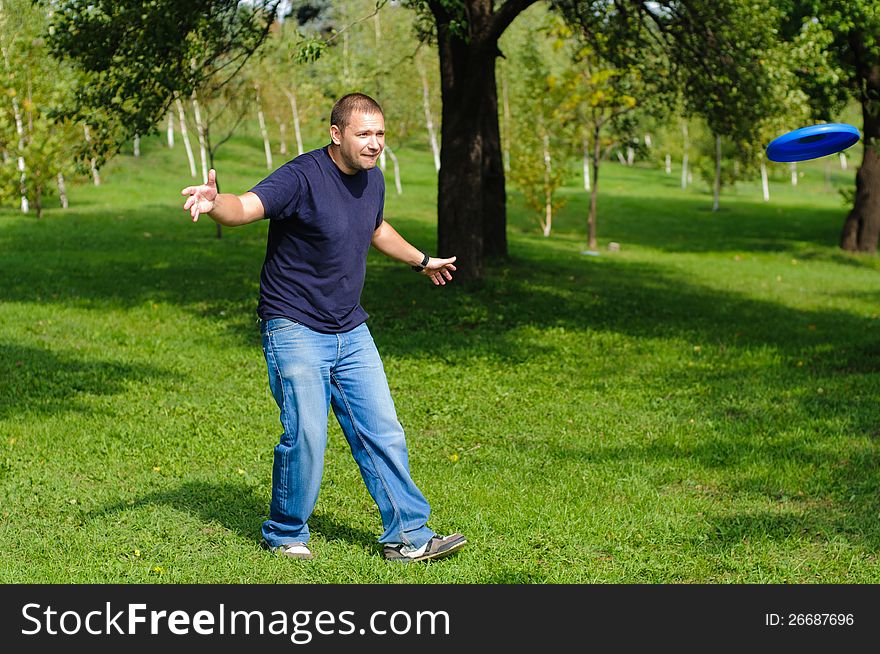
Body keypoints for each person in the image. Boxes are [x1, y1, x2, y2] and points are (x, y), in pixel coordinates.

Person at [180, 93, 466, 563]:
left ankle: (409, 536)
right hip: (293, 324)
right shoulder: (301, 176)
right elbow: (247, 207)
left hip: (350, 328)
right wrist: (215, 204)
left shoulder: (371, 179)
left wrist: (422, 261)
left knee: (383, 431)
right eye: (364, 134)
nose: (375, 145)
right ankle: (286, 532)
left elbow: (375, 228)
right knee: (307, 435)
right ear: (337, 134)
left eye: (380, 134)